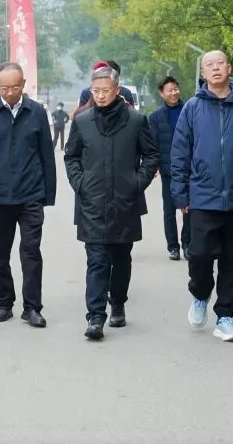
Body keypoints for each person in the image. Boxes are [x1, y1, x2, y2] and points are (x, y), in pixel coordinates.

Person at [172, 50, 233, 343]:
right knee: (200, 255)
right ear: (203, 73)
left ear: (229, 68)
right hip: (202, 197)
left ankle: (226, 316)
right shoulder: (192, 108)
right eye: (209, 65)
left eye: (220, 63)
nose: (215, 68)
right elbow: (180, 154)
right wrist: (180, 193)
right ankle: (200, 294)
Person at [65, 64, 160, 341]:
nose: (100, 96)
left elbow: (151, 155)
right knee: (96, 260)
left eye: (105, 90)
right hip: (92, 202)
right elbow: (71, 157)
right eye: (95, 91)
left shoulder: (136, 121)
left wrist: (137, 183)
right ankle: (95, 316)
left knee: (121, 259)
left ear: (117, 90)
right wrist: (80, 183)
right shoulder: (82, 121)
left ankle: (117, 302)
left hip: (124, 202)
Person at [0, 62, 57, 328]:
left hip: (31, 194)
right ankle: (3, 304)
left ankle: (32, 307)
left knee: (31, 252)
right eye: (4, 88)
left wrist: (48, 195)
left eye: (15, 87)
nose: (9, 93)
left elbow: (46, 155)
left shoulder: (36, 112)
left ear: (23, 85)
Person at [148, 75, 190, 261]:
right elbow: (152, 145)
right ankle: (173, 246)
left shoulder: (189, 110)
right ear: (161, 93)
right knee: (169, 210)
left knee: (189, 209)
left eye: (176, 89)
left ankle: (187, 243)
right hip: (168, 171)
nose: (174, 93)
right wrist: (154, 166)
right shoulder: (155, 117)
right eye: (169, 90)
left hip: (189, 169)